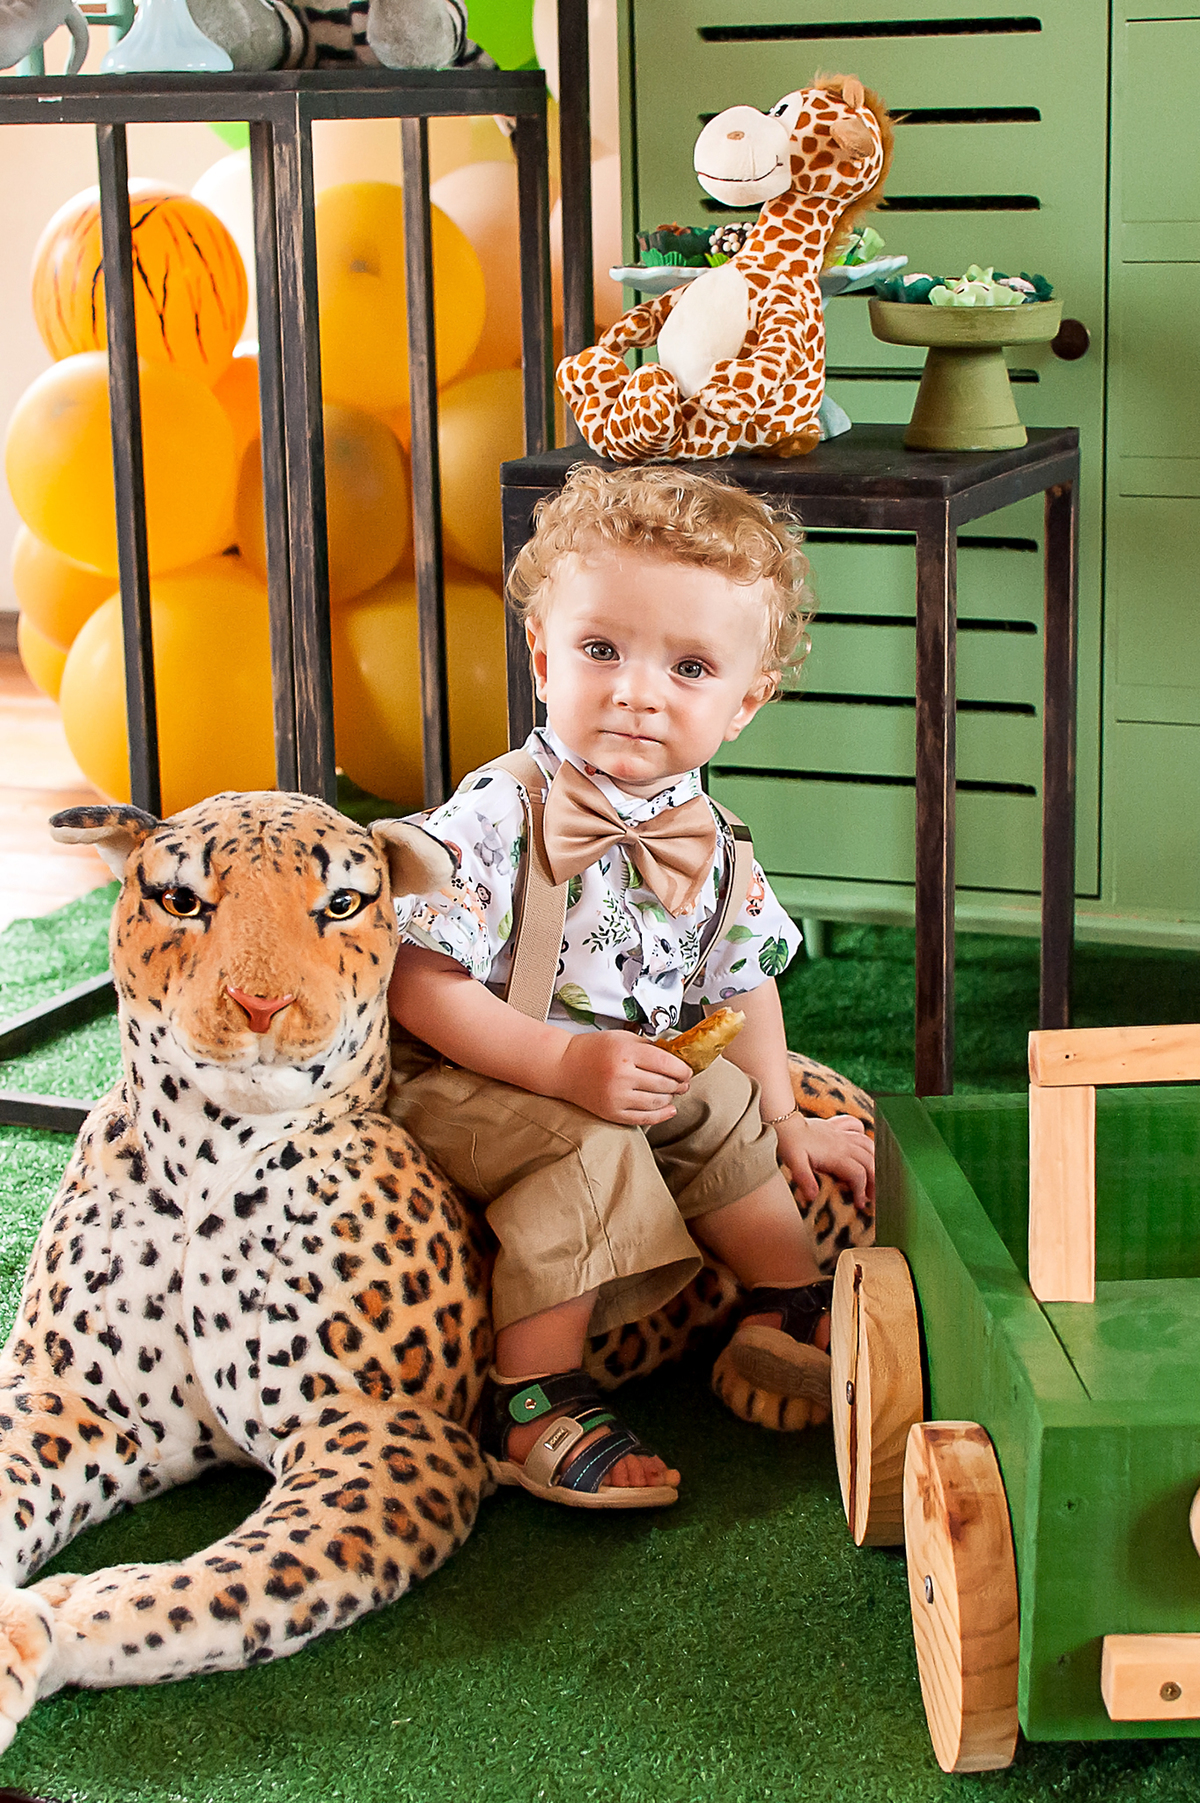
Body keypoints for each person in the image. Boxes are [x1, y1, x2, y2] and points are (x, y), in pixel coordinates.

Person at [387, 464, 874, 1512]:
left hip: (620, 1064)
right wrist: (564, 1063)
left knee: (721, 1098)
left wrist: (785, 1113)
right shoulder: (501, 813)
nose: (636, 691)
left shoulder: (712, 837)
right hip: (479, 1072)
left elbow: (742, 985)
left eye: (689, 667)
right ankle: (532, 1400)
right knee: (587, 1144)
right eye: (601, 649)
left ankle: (784, 1302)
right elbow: (417, 984)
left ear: (745, 703)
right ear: (542, 656)